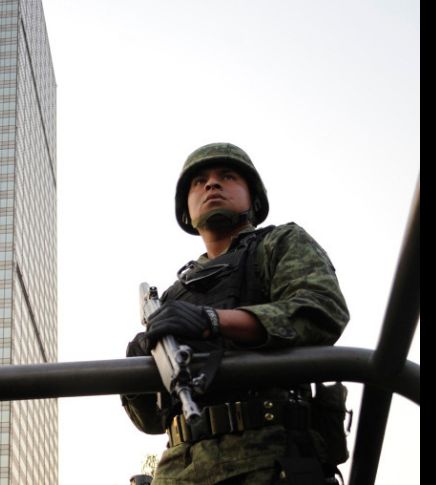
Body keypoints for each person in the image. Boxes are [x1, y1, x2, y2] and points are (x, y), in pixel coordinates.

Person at [122, 142, 349, 484]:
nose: (211, 185)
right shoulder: (173, 295)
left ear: (253, 199)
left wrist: (214, 322)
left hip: (270, 460)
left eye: (226, 176)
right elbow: (153, 421)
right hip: (179, 472)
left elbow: (321, 311)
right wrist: (136, 373)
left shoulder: (278, 244)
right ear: (186, 209)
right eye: (199, 182)